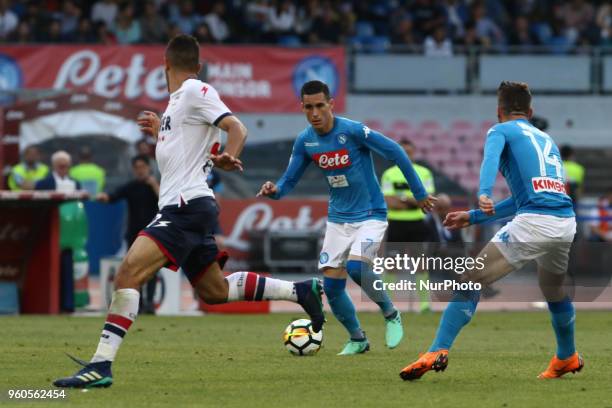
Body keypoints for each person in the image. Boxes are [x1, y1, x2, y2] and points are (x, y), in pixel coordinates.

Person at [54, 34, 324, 389]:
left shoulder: (197, 91)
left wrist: (232, 154)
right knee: (214, 291)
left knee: (127, 275)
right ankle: (300, 291)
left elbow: (236, 127)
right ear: (195, 65)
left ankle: (100, 365)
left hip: (185, 206)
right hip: (187, 206)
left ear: (165, 65)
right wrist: (158, 134)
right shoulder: (175, 108)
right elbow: (180, 159)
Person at [400, 81, 582, 381]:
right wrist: (474, 216)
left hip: (535, 222)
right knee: (554, 290)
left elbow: (490, 159)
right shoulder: (546, 139)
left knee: (469, 280)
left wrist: (483, 193)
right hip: (564, 223)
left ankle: (437, 349)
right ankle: (567, 356)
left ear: (499, 112)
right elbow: (528, 198)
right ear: (530, 111)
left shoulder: (500, 130)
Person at [258, 80, 437, 355]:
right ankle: (358, 339)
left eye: (320, 105)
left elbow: (396, 151)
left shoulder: (352, 131)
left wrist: (420, 192)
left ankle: (391, 314)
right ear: (302, 108)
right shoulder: (306, 140)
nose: (315, 112)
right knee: (331, 286)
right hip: (338, 220)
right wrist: (275, 190)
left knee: (356, 267)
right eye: (308, 107)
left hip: (371, 215)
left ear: (331, 104)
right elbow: (289, 180)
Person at [97, 155, 160, 313]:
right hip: (134, 235)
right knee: (133, 271)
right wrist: (105, 197)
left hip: (154, 235)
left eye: (142, 167)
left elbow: (165, 201)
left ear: (149, 168)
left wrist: (154, 185)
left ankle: (150, 303)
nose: (140, 171)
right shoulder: (131, 187)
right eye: (137, 167)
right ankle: (137, 304)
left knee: (151, 271)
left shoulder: (157, 186)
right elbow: (114, 196)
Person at [382, 139, 436, 313]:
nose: (406, 155)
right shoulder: (389, 174)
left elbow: (428, 199)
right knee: (391, 265)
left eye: (409, 152)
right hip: (396, 223)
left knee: (421, 264)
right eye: (402, 151)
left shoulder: (424, 173)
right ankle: (387, 306)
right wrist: (413, 199)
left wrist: (402, 199)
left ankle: (424, 305)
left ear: (414, 153)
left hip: (417, 223)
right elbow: (389, 202)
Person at [560, 144, 585, 209]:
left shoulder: (558, 166)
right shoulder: (579, 168)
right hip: (573, 201)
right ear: (572, 155)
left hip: (559, 199)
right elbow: (579, 188)